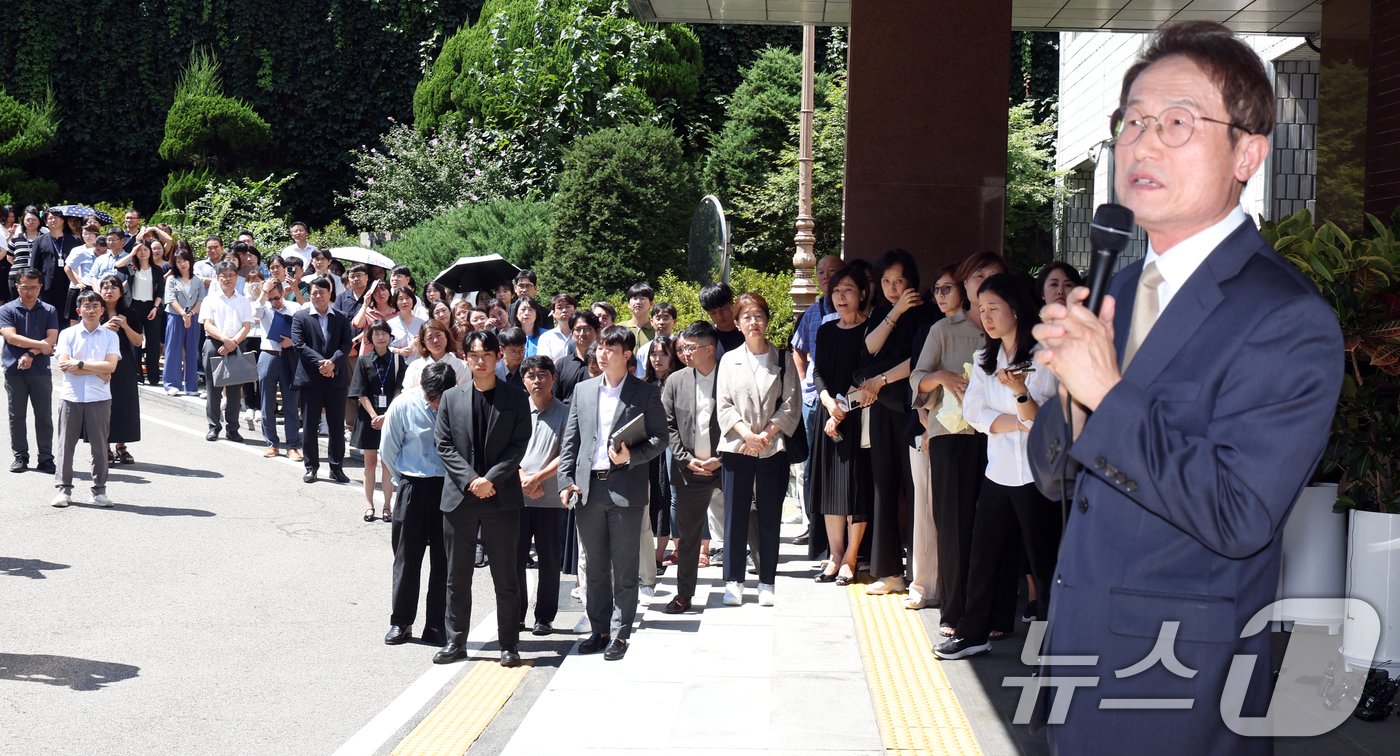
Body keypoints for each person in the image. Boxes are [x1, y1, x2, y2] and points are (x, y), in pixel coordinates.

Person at [1026, 22, 1343, 753]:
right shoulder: (1118, 285)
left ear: (1249, 153)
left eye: (1176, 121)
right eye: (1132, 121)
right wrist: (1071, 399)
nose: (1143, 142)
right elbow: (1056, 474)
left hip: (1180, 688)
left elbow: (1240, 513)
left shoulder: (1286, 316)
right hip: (1079, 653)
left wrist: (1106, 392)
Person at [932, 272, 1058, 660]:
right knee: (982, 554)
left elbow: (1046, 417)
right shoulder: (986, 359)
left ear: (1016, 310)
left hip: (1039, 475)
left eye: (993, 308)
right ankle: (973, 633)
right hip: (999, 471)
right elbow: (974, 412)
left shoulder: (1045, 355)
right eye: (980, 309)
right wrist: (1018, 421)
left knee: (1045, 561)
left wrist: (1020, 399)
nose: (985, 317)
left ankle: (1059, 644)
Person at [557, 326, 667, 661]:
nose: (602, 353)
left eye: (610, 348)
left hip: (625, 487)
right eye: (600, 347)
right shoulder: (584, 390)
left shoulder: (644, 392)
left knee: (624, 564)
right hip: (588, 488)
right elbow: (571, 441)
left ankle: (620, 633)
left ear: (626, 354)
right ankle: (599, 629)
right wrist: (565, 481)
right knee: (596, 566)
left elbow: (660, 438)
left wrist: (632, 457)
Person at [432, 330, 532, 667]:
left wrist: (490, 479)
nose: (480, 360)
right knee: (456, 576)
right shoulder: (451, 397)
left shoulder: (515, 397)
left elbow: (519, 446)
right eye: (473, 354)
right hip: (460, 497)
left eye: (486, 354)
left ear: (498, 356)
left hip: (500, 496)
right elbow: (443, 444)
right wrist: (471, 479)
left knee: (506, 575)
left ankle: (509, 644)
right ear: (465, 358)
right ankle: (455, 641)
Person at [857, 249, 939, 595]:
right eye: (887, 281)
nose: (892, 287)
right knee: (884, 487)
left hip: (912, 407)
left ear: (912, 282)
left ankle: (922, 573)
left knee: (918, 490)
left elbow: (919, 360)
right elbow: (871, 346)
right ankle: (889, 572)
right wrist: (895, 310)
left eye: (899, 281)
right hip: (880, 410)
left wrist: (881, 381)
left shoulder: (929, 315)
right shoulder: (881, 312)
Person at [715, 293, 801, 607]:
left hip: (772, 445)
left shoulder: (782, 358)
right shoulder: (729, 359)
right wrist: (745, 434)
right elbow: (722, 405)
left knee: (769, 515)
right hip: (737, 446)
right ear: (737, 323)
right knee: (735, 516)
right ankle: (733, 580)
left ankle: (767, 580)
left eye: (759, 316)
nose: (754, 322)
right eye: (747, 317)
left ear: (766, 320)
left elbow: (791, 405)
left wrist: (764, 434)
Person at [907, 263, 983, 612]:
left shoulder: (1000, 328)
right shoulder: (941, 330)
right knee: (951, 525)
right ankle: (954, 608)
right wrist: (941, 376)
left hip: (997, 435)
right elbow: (917, 379)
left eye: (946, 288)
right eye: (936, 289)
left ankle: (989, 610)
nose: (940, 295)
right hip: (950, 434)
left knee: (987, 524)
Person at [381, 361, 457, 648]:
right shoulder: (404, 405)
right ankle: (401, 622)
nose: (437, 404)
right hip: (413, 485)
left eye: (442, 398)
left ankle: (436, 624)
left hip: (447, 488)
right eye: (433, 397)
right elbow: (388, 450)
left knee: (444, 561)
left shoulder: (457, 404)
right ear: (423, 388)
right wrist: (404, 484)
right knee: (406, 559)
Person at [809, 266, 873, 584]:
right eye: (836, 291)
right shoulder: (826, 330)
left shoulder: (870, 331)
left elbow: (868, 375)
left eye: (848, 289)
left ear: (862, 293)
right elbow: (818, 371)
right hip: (829, 414)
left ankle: (851, 556)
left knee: (855, 486)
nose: (841, 296)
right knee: (831, 487)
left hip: (858, 414)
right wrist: (828, 403)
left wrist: (843, 407)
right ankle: (834, 555)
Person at [659, 322, 723, 614]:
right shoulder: (676, 381)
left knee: (750, 521)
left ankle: (763, 581)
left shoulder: (729, 375)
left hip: (727, 463)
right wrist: (686, 459)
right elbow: (667, 425)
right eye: (683, 347)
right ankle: (684, 593)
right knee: (687, 536)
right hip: (689, 469)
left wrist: (720, 457)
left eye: (690, 347)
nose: (684, 352)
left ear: (709, 349)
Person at [790, 254, 845, 544]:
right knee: (811, 465)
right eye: (821, 272)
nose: (825, 276)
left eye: (832, 271)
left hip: (845, 398)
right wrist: (802, 381)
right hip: (814, 396)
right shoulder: (812, 312)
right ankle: (815, 526)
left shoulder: (856, 312)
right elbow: (797, 348)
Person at [51, 290, 121, 508]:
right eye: (86, 306)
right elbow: (64, 365)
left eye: (95, 307)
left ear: (102, 310)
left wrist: (79, 364)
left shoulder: (111, 336)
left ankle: (99, 491)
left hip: (99, 397)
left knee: (100, 446)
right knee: (65, 445)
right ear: (78, 310)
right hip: (71, 396)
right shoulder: (68, 334)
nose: (91, 311)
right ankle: (64, 490)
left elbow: (110, 366)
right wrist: (96, 369)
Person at [516, 355, 569, 636]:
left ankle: (544, 617)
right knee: (515, 558)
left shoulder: (565, 412)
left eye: (542, 375)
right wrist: (523, 477)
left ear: (553, 378)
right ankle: (516, 614)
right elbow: (506, 449)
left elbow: (567, 454)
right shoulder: (515, 410)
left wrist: (537, 478)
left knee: (549, 559)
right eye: (531, 376)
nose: (537, 381)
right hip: (517, 497)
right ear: (523, 380)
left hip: (550, 498)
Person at [292, 277, 354, 484]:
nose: (317, 296)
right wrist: (322, 364)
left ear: (330, 294)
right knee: (310, 425)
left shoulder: (342, 317)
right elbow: (299, 345)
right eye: (314, 293)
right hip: (311, 379)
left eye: (322, 292)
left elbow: (346, 344)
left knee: (336, 425)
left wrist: (333, 363)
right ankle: (311, 467)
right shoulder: (301, 317)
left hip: (336, 378)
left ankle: (336, 467)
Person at [2, 267, 60, 473]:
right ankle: (20, 456)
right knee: (16, 415)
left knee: (43, 415)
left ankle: (46, 457)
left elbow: (52, 338)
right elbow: (11, 337)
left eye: (33, 287)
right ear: (17, 286)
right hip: (13, 369)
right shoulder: (7, 309)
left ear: (40, 287)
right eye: (24, 287)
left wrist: (31, 353)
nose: (29, 292)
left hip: (40, 370)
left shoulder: (49, 310)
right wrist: (41, 345)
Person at [351, 321, 405, 520]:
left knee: (388, 463)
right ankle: (369, 505)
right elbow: (360, 392)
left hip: (391, 417)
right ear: (370, 337)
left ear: (390, 336)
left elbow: (400, 390)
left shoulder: (398, 360)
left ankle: (387, 506)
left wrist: (387, 416)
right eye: (376, 334)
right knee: (370, 462)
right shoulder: (364, 360)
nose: (380, 337)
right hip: (369, 418)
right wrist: (375, 416)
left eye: (384, 333)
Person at [200, 262, 253, 442]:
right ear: (217, 277)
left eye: (231, 274)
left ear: (236, 277)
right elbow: (207, 324)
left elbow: (247, 325)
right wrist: (225, 340)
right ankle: (214, 427)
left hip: (237, 344)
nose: (228, 278)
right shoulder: (210, 299)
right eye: (224, 275)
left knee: (234, 389)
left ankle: (233, 428)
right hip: (215, 344)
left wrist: (233, 343)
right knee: (213, 388)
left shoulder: (243, 300)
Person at [253, 277, 303, 461]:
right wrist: (263, 293)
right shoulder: (264, 306)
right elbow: (255, 313)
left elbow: (304, 328)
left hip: (290, 355)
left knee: (291, 402)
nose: (274, 302)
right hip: (269, 355)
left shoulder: (294, 307)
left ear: (283, 293)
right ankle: (272, 443)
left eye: (276, 297)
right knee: (267, 401)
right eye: (270, 298)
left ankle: (292, 445)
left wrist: (293, 342)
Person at [94, 275, 143, 465]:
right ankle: (104, 446)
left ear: (121, 292)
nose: (109, 291)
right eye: (105, 287)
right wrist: (104, 327)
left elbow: (138, 341)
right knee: (103, 405)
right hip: (100, 364)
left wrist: (125, 325)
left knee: (123, 404)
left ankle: (121, 446)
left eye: (113, 287)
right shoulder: (95, 312)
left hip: (124, 364)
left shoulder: (130, 313)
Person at [118, 242, 163, 386]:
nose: (143, 252)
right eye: (140, 250)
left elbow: (160, 291)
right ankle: (137, 374)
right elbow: (117, 265)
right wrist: (131, 253)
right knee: (135, 342)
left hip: (151, 307)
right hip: (134, 307)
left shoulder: (157, 270)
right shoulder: (131, 268)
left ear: (150, 252)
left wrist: (155, 307)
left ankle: (153, 375)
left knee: (153, 342)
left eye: (145, 249)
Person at [163, 248, 205, 397]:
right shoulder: (171, 279)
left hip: (193, 316)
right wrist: (183, 314)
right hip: (175, 315)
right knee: (173, 349)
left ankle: (191, 385)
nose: (182, 264)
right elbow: (171, 299)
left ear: (190, 261)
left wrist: (191, 313)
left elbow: (201, 299)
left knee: (192, 350)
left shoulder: (198, 279)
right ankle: (171, 384)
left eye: (185, 260)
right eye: (179, 261)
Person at [402, 319, 468, 389]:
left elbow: (464, 393)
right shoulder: (415, 366)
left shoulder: (461, 366)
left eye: (438, 335)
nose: (435, 340)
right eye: (430, 337)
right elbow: (407, 393)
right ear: (423, 341)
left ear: (446, 336)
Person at [553, 310, 598, 405]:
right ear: (572, 333)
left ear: (597, 332)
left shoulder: (602, 363)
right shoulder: (561, 365)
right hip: (565, 416)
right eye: (578, 329)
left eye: (587, 329)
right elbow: (554, 398)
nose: (582, 333)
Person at [699, 282, 744, 358]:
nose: (719, 316)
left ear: (732, 303)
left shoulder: (747, 331)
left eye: (723, 309)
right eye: (713, 313)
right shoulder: (706, 338)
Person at [537, 294, 576, 362]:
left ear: (575, 310)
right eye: (559, 307)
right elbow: (543, 364)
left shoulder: (582, 335)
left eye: (567, 307)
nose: (564, 310)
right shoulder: (546, 338)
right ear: (553, 313)